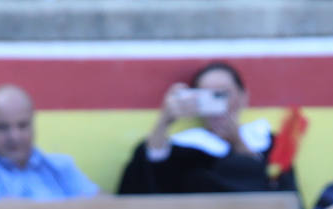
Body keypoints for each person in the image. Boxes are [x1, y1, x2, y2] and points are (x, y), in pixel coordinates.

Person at [117, 61, 299, 199]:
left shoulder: (268, 143)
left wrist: (238, 144)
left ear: (244, 97)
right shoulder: (186, 150)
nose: (217, 103)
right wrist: (164, 121)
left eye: (223, 94)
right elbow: (149, 183)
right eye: (207, 96)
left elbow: (283, 197)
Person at [0, 84, 99, 201]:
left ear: (33, 124)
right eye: (2, 127)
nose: (14, 136)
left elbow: (104, 207)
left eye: (22, 126)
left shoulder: (59, 166)